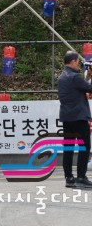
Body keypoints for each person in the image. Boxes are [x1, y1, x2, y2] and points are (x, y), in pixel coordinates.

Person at [58, 50, 92, 188]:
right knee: (85, 147)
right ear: (72, 61)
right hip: (79, 117)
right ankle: (81, 176)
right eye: (78, 61)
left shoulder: (61, 77)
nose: (79, 64)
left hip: (67, 118)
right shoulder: (75, 77)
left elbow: (81, 88)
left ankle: (69, 178)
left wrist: (88, 77)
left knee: (68, 148)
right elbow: (89, 89)